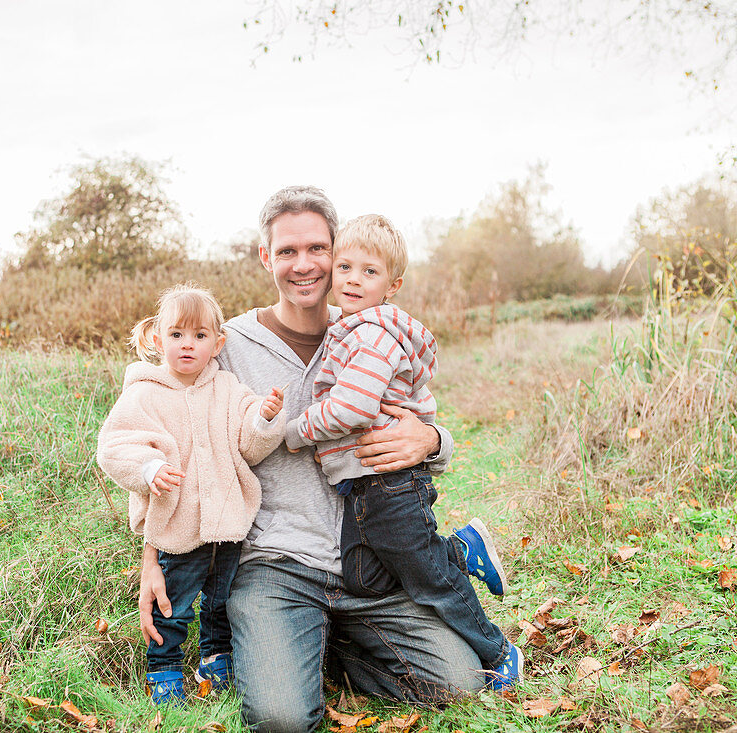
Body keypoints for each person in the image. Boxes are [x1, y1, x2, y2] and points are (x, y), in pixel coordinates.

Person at [138, 187, 517, 733]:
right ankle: (289, 641)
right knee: (283, 719)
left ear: (336, 252)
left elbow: (416, 414)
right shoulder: (231, 343)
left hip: (370, 564)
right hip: (278, 562)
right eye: (287, 251)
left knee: (459, 684)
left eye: (318, 248)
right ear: (266, 257)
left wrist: (433, 442)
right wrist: (154, 554)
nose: (304, 264)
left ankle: (323, 647)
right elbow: (174, 436)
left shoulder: (371, 327)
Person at [283, 213, 521, 682]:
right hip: (361, 489)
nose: (352, 279)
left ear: (392, 285)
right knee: (365, 578)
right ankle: (460, 550)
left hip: (387, 483)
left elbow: (351, 408)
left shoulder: (372, 335)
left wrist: (296, 431)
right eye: (346, 267)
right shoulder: (350, 329)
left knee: (430, 580)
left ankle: (496, 651)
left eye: (369, 272)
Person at [96, 283, 286, 705]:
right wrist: (149, 468)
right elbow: (114, 446)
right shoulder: (145, 393)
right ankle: (163, 668)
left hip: (229, 524)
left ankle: (215, 658)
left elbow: (249, 444)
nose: (188, 345)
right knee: (175, 603)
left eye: (200, 336)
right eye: (177, 334)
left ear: (217, 344)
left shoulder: (228, 389)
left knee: (222, 600)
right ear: (157, 338)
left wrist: (264, 417)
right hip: (177, 525)